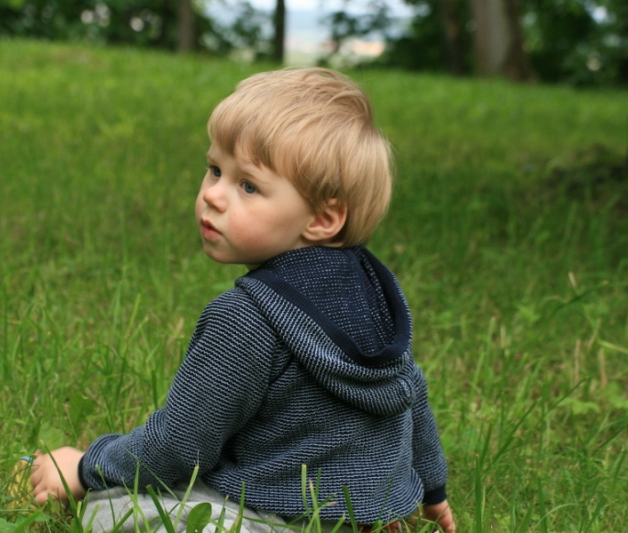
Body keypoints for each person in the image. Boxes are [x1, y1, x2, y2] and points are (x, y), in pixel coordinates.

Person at [29, 67, 456, 533]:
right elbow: (410, 392)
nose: (213, 195)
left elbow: (177, 447)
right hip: (360, 518)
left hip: (273, 516)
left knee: (114, 505)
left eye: (248, 186)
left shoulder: (246, 319)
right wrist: (430, 493)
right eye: (214, 169)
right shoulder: (377, 296)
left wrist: (87, 465)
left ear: (322, 218)